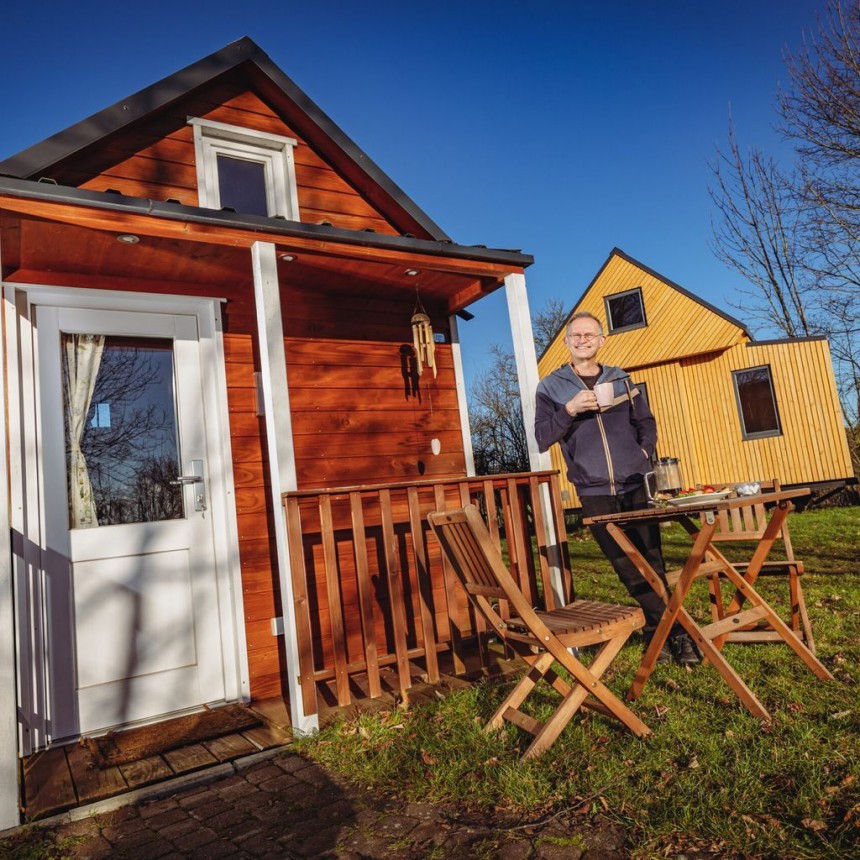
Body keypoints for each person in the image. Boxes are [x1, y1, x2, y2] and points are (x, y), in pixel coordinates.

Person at [534, 311, 699, 665]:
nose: (582, 340)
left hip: (635, 482)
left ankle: (658, 634)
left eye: (589, 335)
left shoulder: (621, 379)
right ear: (566, 342)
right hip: (594, 491)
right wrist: (569, 409)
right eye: (576, 335)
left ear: (601, 340)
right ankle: (678, 632)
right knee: (626, 566)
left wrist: (643, 453)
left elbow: (646, 422)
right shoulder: (550, 387)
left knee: (652, 560)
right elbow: (542, 437)